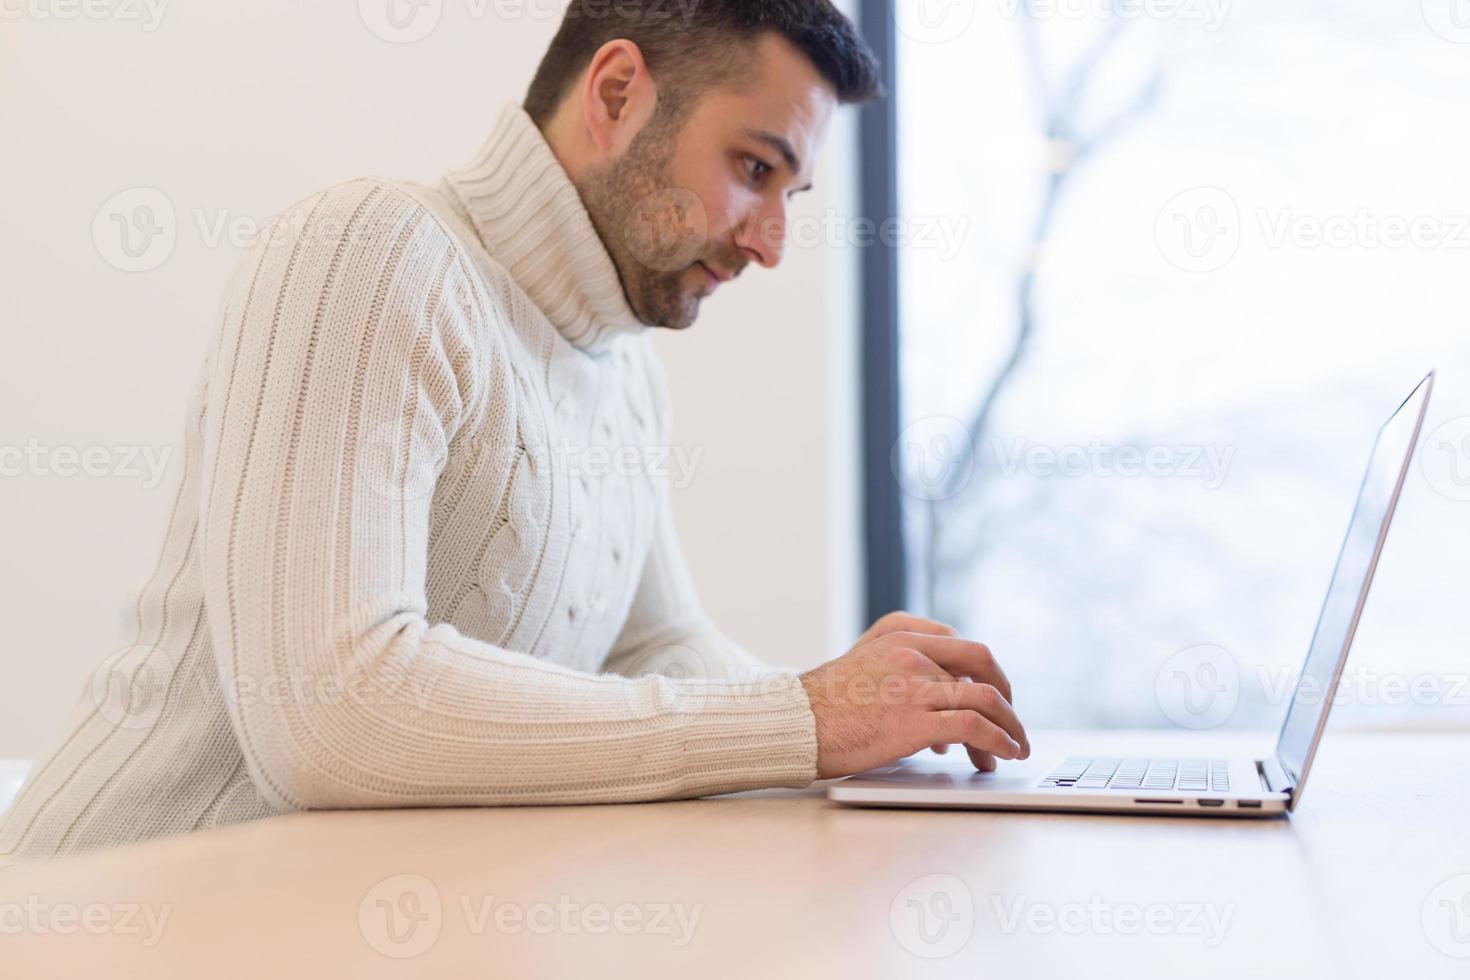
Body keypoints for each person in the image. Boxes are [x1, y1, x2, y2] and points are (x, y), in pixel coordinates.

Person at [0, 0, 1027, 861]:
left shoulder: (623, 372)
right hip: (92, 920)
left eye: (790, 194)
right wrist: (801, 719)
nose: (771, 242)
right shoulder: (371, 248)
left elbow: (652, 644)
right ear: (617, 94)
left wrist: (869, 740)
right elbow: (326, 712)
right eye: (755, 168)